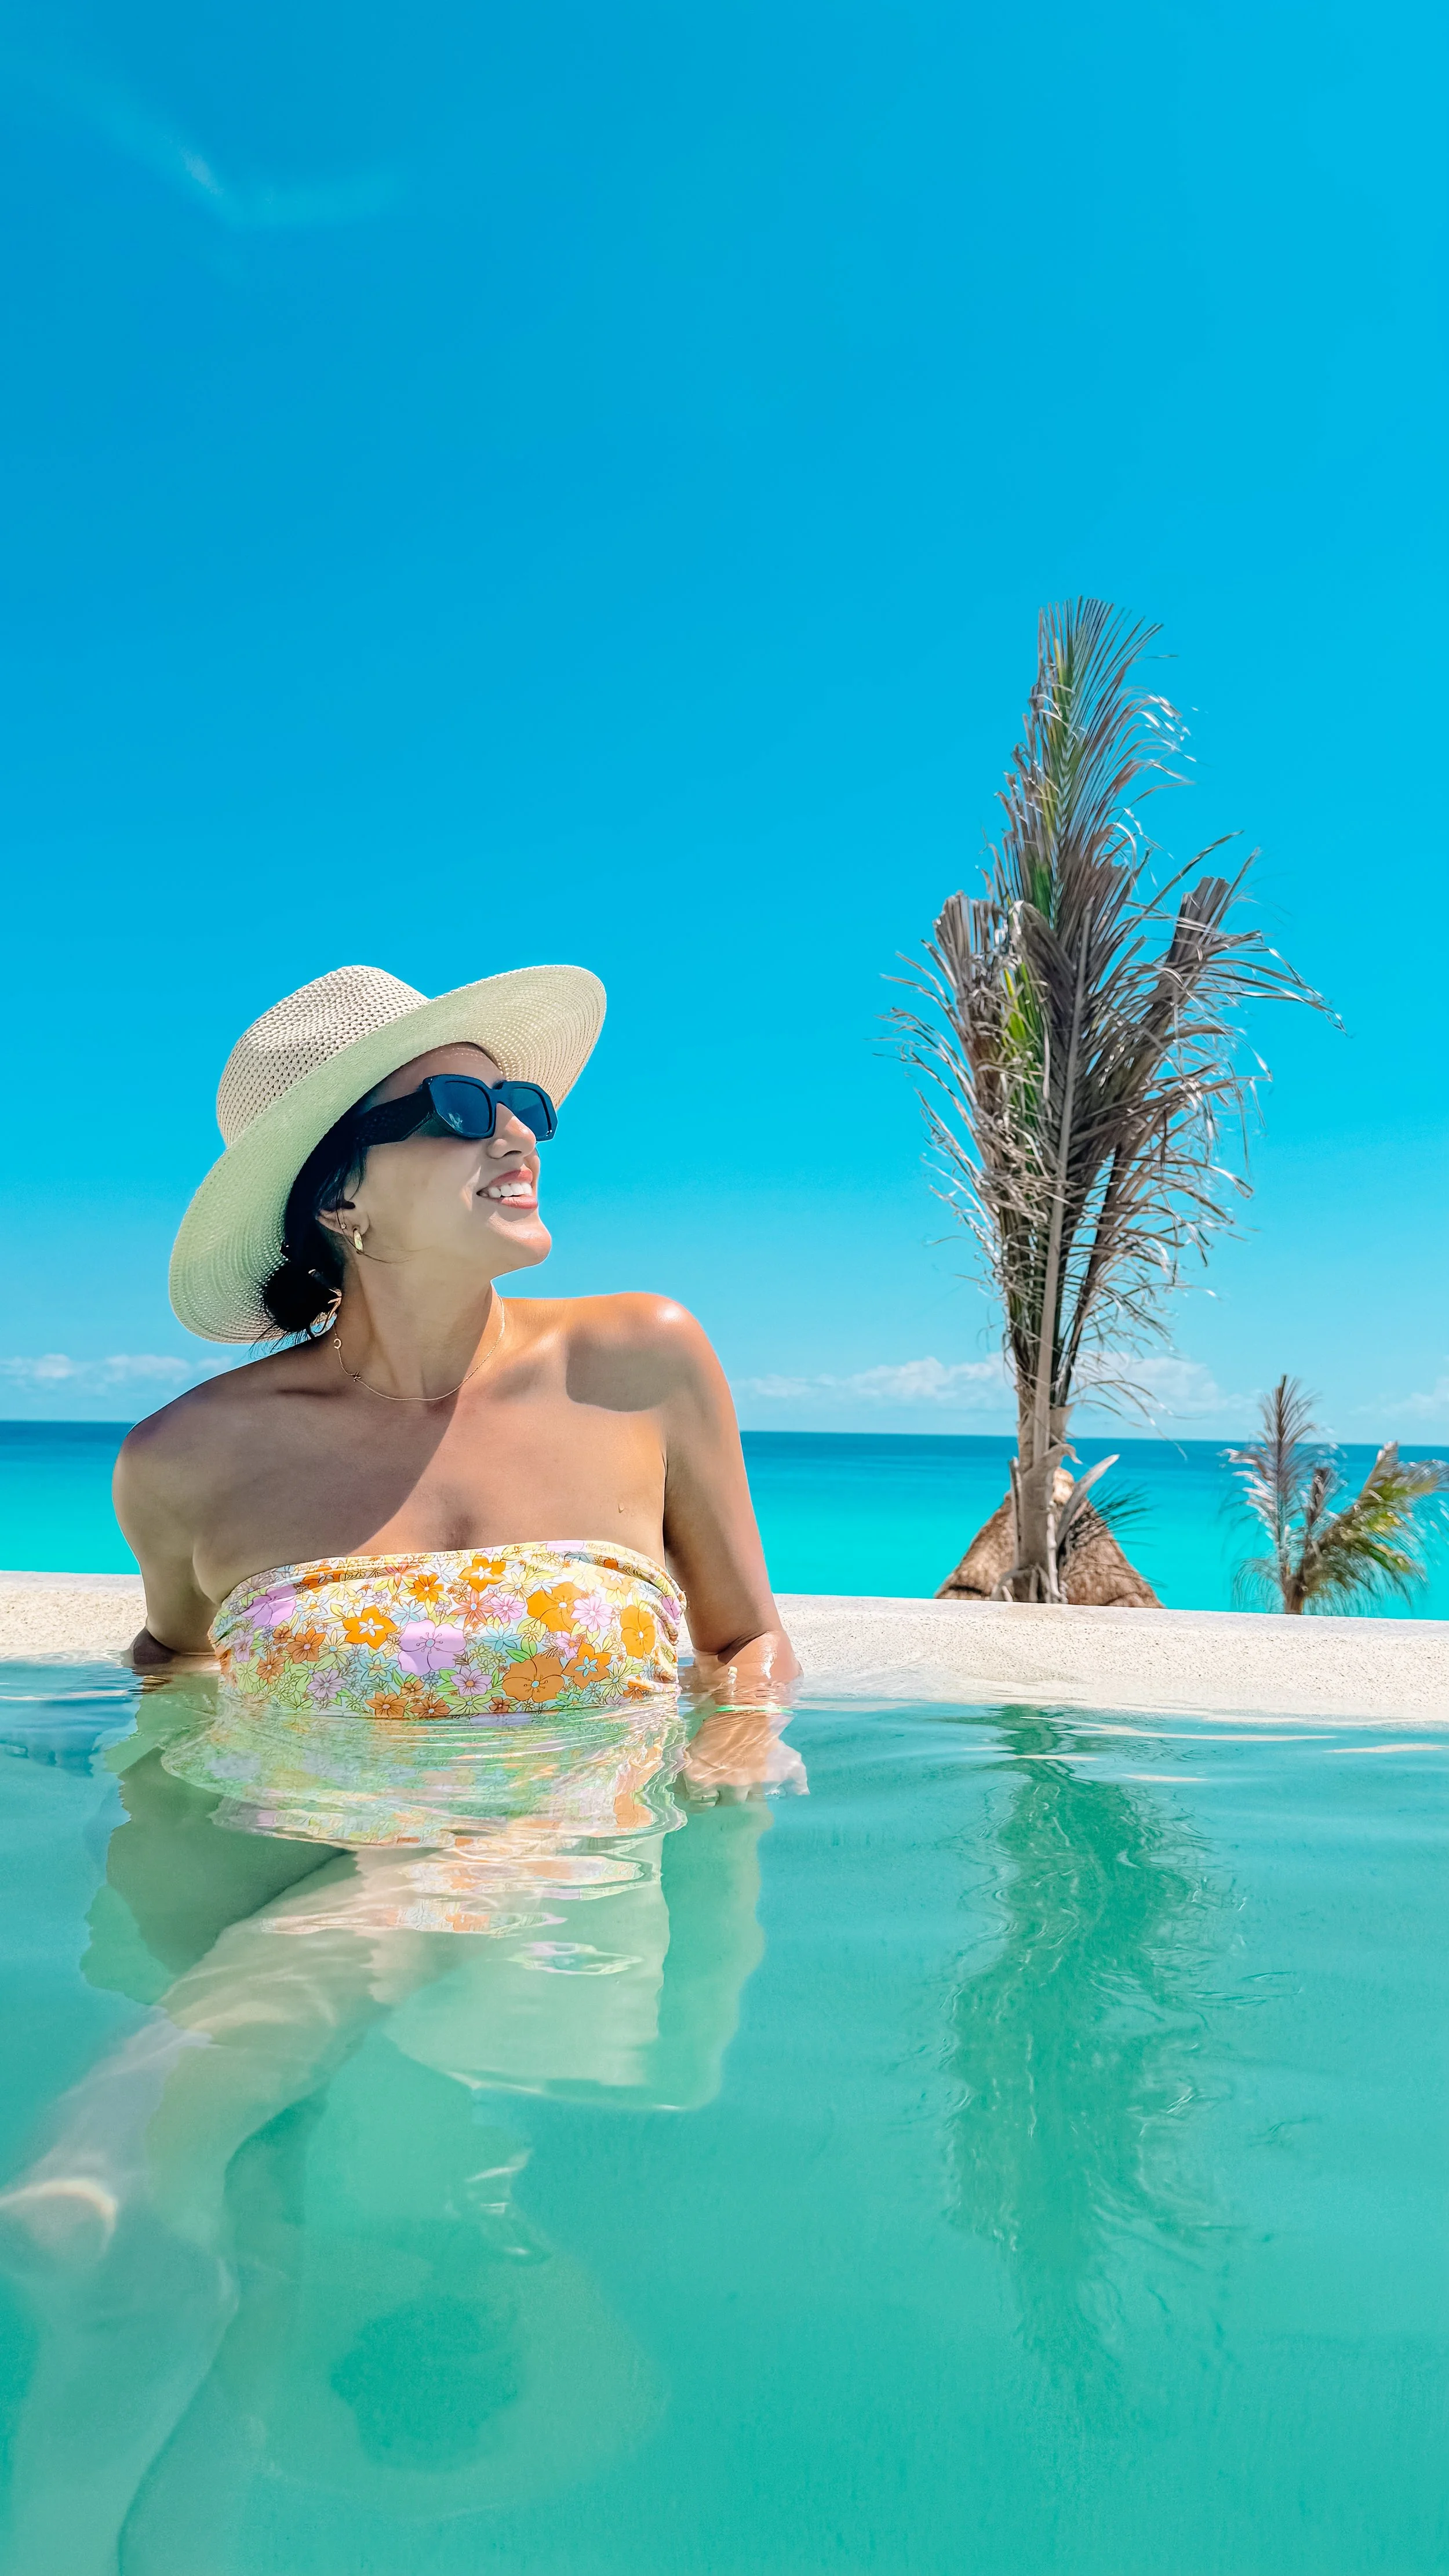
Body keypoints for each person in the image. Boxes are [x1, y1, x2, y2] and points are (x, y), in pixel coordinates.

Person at [115, 959, 799, 1751]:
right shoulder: (184, 1459)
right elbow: (173, 1663)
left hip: (589, 1874)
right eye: (459, 1112)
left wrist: (740, 1746)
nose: (516, 1135)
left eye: (519, 1105)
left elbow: (748, 1642)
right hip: (311, 1872)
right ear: (340, 1199)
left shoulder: (643, 1362)